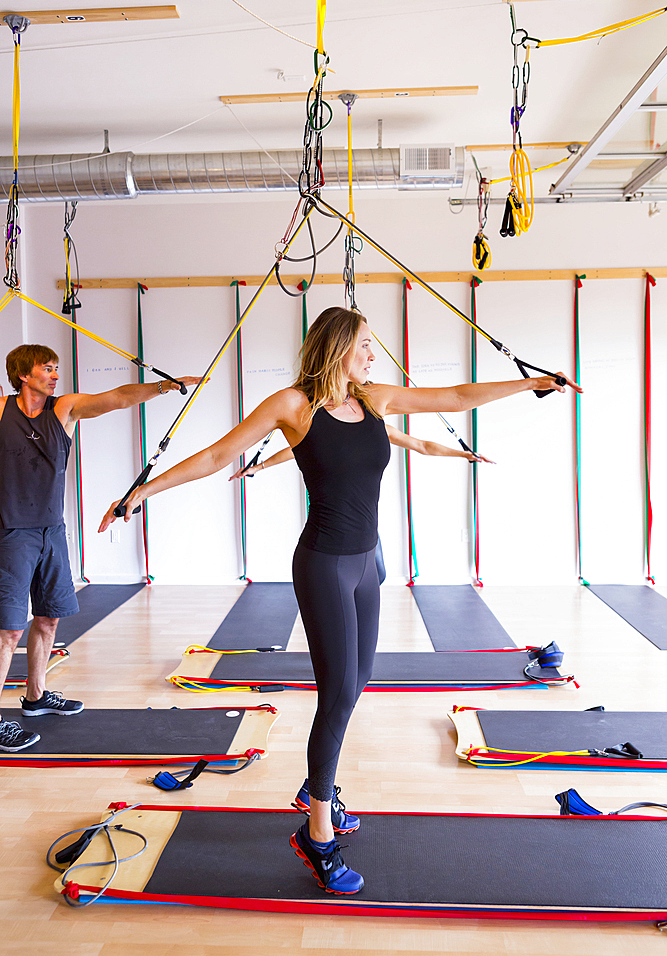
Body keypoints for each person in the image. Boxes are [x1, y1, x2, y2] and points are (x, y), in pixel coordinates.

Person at [100, 306, 581, 895]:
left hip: (365, 566)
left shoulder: (373, 399)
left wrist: (530, 382)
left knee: (355, 686)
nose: (373, 355)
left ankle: (314, 788)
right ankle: (317, 833)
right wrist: (143, 490)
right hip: (324, 565)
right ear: (337, 347)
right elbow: (216, 456)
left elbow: (455, 396)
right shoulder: (293, 407)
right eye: (365, 346)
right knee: (335, 696)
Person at [0, 343, 199, 753]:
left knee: (48, 620)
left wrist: (165, 387)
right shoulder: (2, 411)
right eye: (47, 368)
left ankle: (35, 698)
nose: (55, 375)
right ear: (23, 374)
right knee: (8, 630)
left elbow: (116, 399)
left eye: (57, 368)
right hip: (10, 533)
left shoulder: (63, 409)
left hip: (52, 531)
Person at [228, 425, 493, 583]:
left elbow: (421, 444)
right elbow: (292, 450)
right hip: (332, 529)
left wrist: (463, 453)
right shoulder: (324, 431)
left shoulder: (378, 428)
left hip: (365, 526)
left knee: (378, 575)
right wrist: (259, 466)